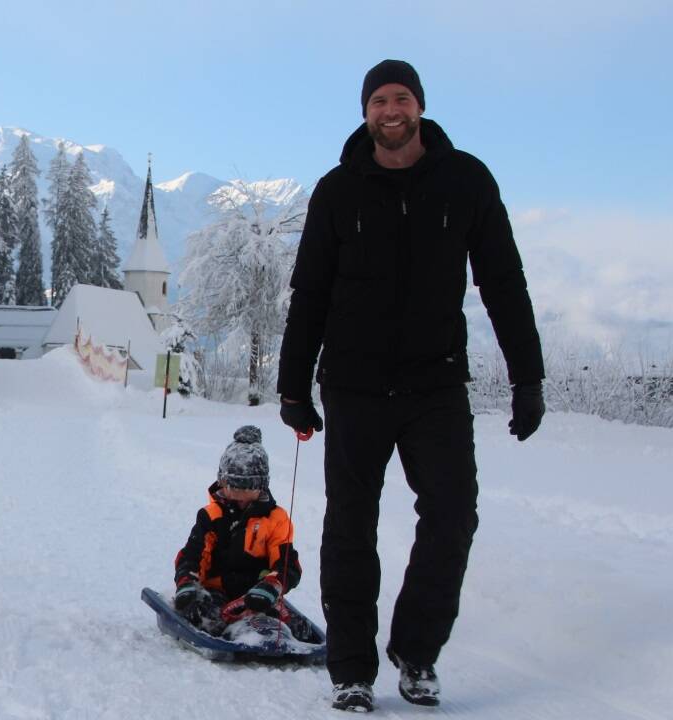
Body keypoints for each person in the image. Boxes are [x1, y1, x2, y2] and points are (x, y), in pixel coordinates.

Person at [276, 60, 545, 711]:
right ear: (365, 112)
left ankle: (417, 653)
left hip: (435, 385)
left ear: (419, 106)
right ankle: (351, 670)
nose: (389, 110)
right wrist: (292, 385)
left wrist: (527, 377)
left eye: (400, 98)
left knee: (454, 515)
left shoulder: (466, 182)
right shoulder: (338, 190)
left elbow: (503, 282)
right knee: (349, 528)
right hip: (354, 385)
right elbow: (310, 291)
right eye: (378, 101)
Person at [172, 426, 302, 636]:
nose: (239, 495)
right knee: (204, 616)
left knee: (291, 626)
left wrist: (272, 584)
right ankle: (224, 626)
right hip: (217, 590)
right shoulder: (212, 516)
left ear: (261, 487)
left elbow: (287, 562)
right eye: (233, 487)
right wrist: (187, 581)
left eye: (247, 488)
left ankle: (265, 628)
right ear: (222, 482)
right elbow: (193, 555)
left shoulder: (275, 518)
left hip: (256, 593)